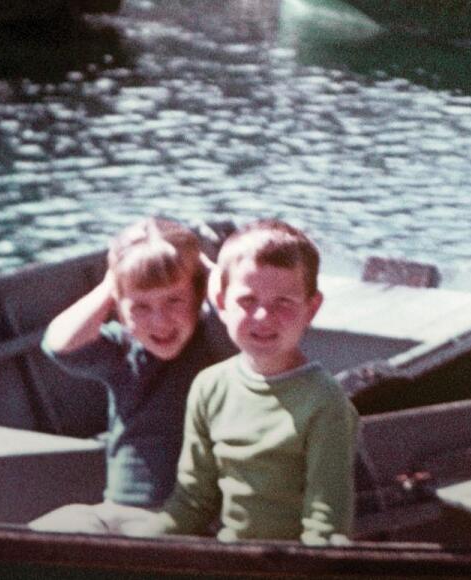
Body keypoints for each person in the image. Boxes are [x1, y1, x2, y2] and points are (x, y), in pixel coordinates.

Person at [134, 219, 358, 545]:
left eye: (283, 302)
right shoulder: (209, 386)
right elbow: (193, 503)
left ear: (311, 309)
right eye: (247, 301)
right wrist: (138, 545)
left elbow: (325, 526)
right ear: (222, 303)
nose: (263, 317)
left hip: (293, 560)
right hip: (231, 553)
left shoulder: (325, 401)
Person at [30, 217, 234, 534]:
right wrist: (113, 283)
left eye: (174, 300)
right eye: (140, 306)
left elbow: (236, 305)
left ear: (197, 295)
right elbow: (59, 344)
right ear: (119, 307)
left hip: (201, 513)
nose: (160, 321)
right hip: (126, 509)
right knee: (57, 528)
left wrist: (204, 267)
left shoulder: (218, 341)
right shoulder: (122, 350)